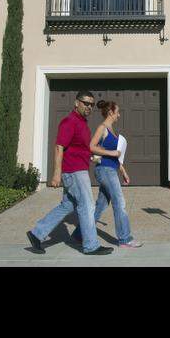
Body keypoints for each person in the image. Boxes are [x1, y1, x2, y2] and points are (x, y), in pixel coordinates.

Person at [25, 90, 114, 255]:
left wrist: (94, 157)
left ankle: (37, 234)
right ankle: (91, 245)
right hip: (74, 172)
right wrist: (56, 173)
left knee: (67, 205)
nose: (89, 106)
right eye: (85, 103)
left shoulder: (82, 124)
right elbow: (59, 147)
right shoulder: (69, 122)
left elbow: (79, 149)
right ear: (76, 102)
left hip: (77, 169)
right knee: (87, 206)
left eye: (91, 104)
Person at [76, 100, 143, 248]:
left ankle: (80, 234)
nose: (119, 115)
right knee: (120, 203)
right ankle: (125, 239)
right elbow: (91, 146)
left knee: (100, 205)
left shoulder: (112, 130)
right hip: (105, 170)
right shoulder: (103, 128)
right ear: (111, 112)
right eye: (117, 111)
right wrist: (110, 152)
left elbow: (116, 156)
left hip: (111, 169)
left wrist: (123, 170)